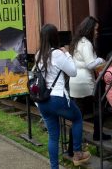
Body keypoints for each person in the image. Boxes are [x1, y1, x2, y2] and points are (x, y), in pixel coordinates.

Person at [35, 24, 90, 168]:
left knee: (53, 136)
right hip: (57, 98)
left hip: (43, 101)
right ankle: (77, 153)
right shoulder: (57, 54)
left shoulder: (38, 54)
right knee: (77, 118)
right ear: (55, 37)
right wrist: (66, 53)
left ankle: (54, 167)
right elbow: (72, 72)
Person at [69, 16, 111, 141]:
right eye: (96, 29)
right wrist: (101, 60)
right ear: (89, 29)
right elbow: (90, 64)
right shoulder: (86, 44)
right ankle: (98, 134)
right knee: (100, 107)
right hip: (86, 82)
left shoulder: (77, 41)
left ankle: (72, 146)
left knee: (77, 116)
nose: (97, 32)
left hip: (75, 81)